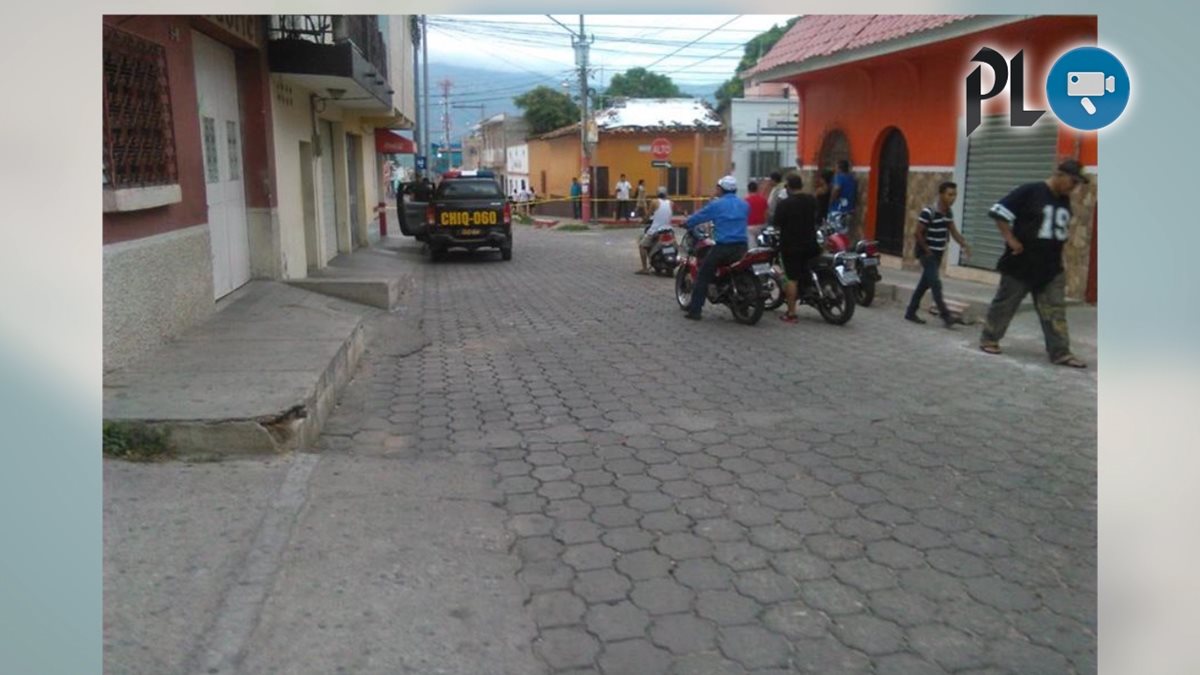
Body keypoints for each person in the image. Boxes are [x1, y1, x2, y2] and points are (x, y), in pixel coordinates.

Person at [978, 160, 1088, 368]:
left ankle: (1060, 352)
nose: (1074, 188)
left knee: (1055, 310)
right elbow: (998, 212)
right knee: (1005, 304)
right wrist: (1011, 239)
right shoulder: (1030, 191)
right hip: (1021, 263)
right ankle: (989, 338)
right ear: (1059, 175)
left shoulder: (1063, 200)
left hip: (1051, 267)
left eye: (1077, 184)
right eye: (1072, 182)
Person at [905, 181, 973, 327]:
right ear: (941, 195)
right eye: (950, 194)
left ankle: (910, 312)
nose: (953, 198)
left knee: (924, 284)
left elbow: (953, 232)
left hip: (938, 254)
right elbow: (917, 233)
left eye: (954, 195)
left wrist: (964, 244)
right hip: (927, 254)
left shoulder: (948, 213)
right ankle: (946, 317)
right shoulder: (929, 212)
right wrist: (927, 250)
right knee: (936, 284)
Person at [682, 175, 750, 320]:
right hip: (742, 247)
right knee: (740, 271)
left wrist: (687, 223)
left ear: (721, 189)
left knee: (702, 275)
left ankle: (695, 311)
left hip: (723, 248)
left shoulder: (717, 205)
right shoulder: (744, 204)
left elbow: (700, 216)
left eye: (717, 188)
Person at [772, 173, 822, 324]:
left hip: (791, 247)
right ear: (801, 185)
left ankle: (791, 313)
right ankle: (808, 289)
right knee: (807, 269)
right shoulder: (811, 200)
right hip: (811, 244)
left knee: (791, 279)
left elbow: (776, 223)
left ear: (788, 187)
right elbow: (817, 218)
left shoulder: (785, 204)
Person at [636, 187, 674, 274]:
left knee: (642, 246)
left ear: (657, 194)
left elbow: (648, 215)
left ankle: (645, 268)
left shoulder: (654, 202)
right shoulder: (671, 203)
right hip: (669, 230)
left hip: (656, 230)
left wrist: (642, 221)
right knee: (674, 245)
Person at [828, 160, 858, 234]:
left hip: (838, 209)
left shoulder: (839, 177)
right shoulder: (851, 178)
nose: (834, 168)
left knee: (834, 233)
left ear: (839, 168)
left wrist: (830, 201)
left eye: (835, 167)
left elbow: (836, 189)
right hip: (849, 208)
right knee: (843, 232)